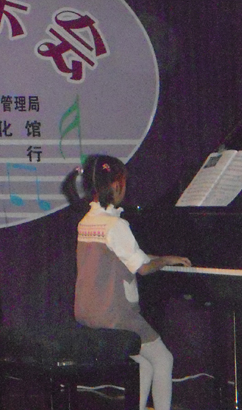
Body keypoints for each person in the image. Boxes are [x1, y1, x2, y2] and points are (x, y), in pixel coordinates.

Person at [62, 154, 191, 410]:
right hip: (115, 315)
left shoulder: (87, 221)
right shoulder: (115, 225)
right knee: (164, 359)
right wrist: (165, 260)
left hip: (87, 311)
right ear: (116, 186)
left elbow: (122, 255)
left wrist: (159, 257)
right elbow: (143, 268)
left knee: (143, 363)